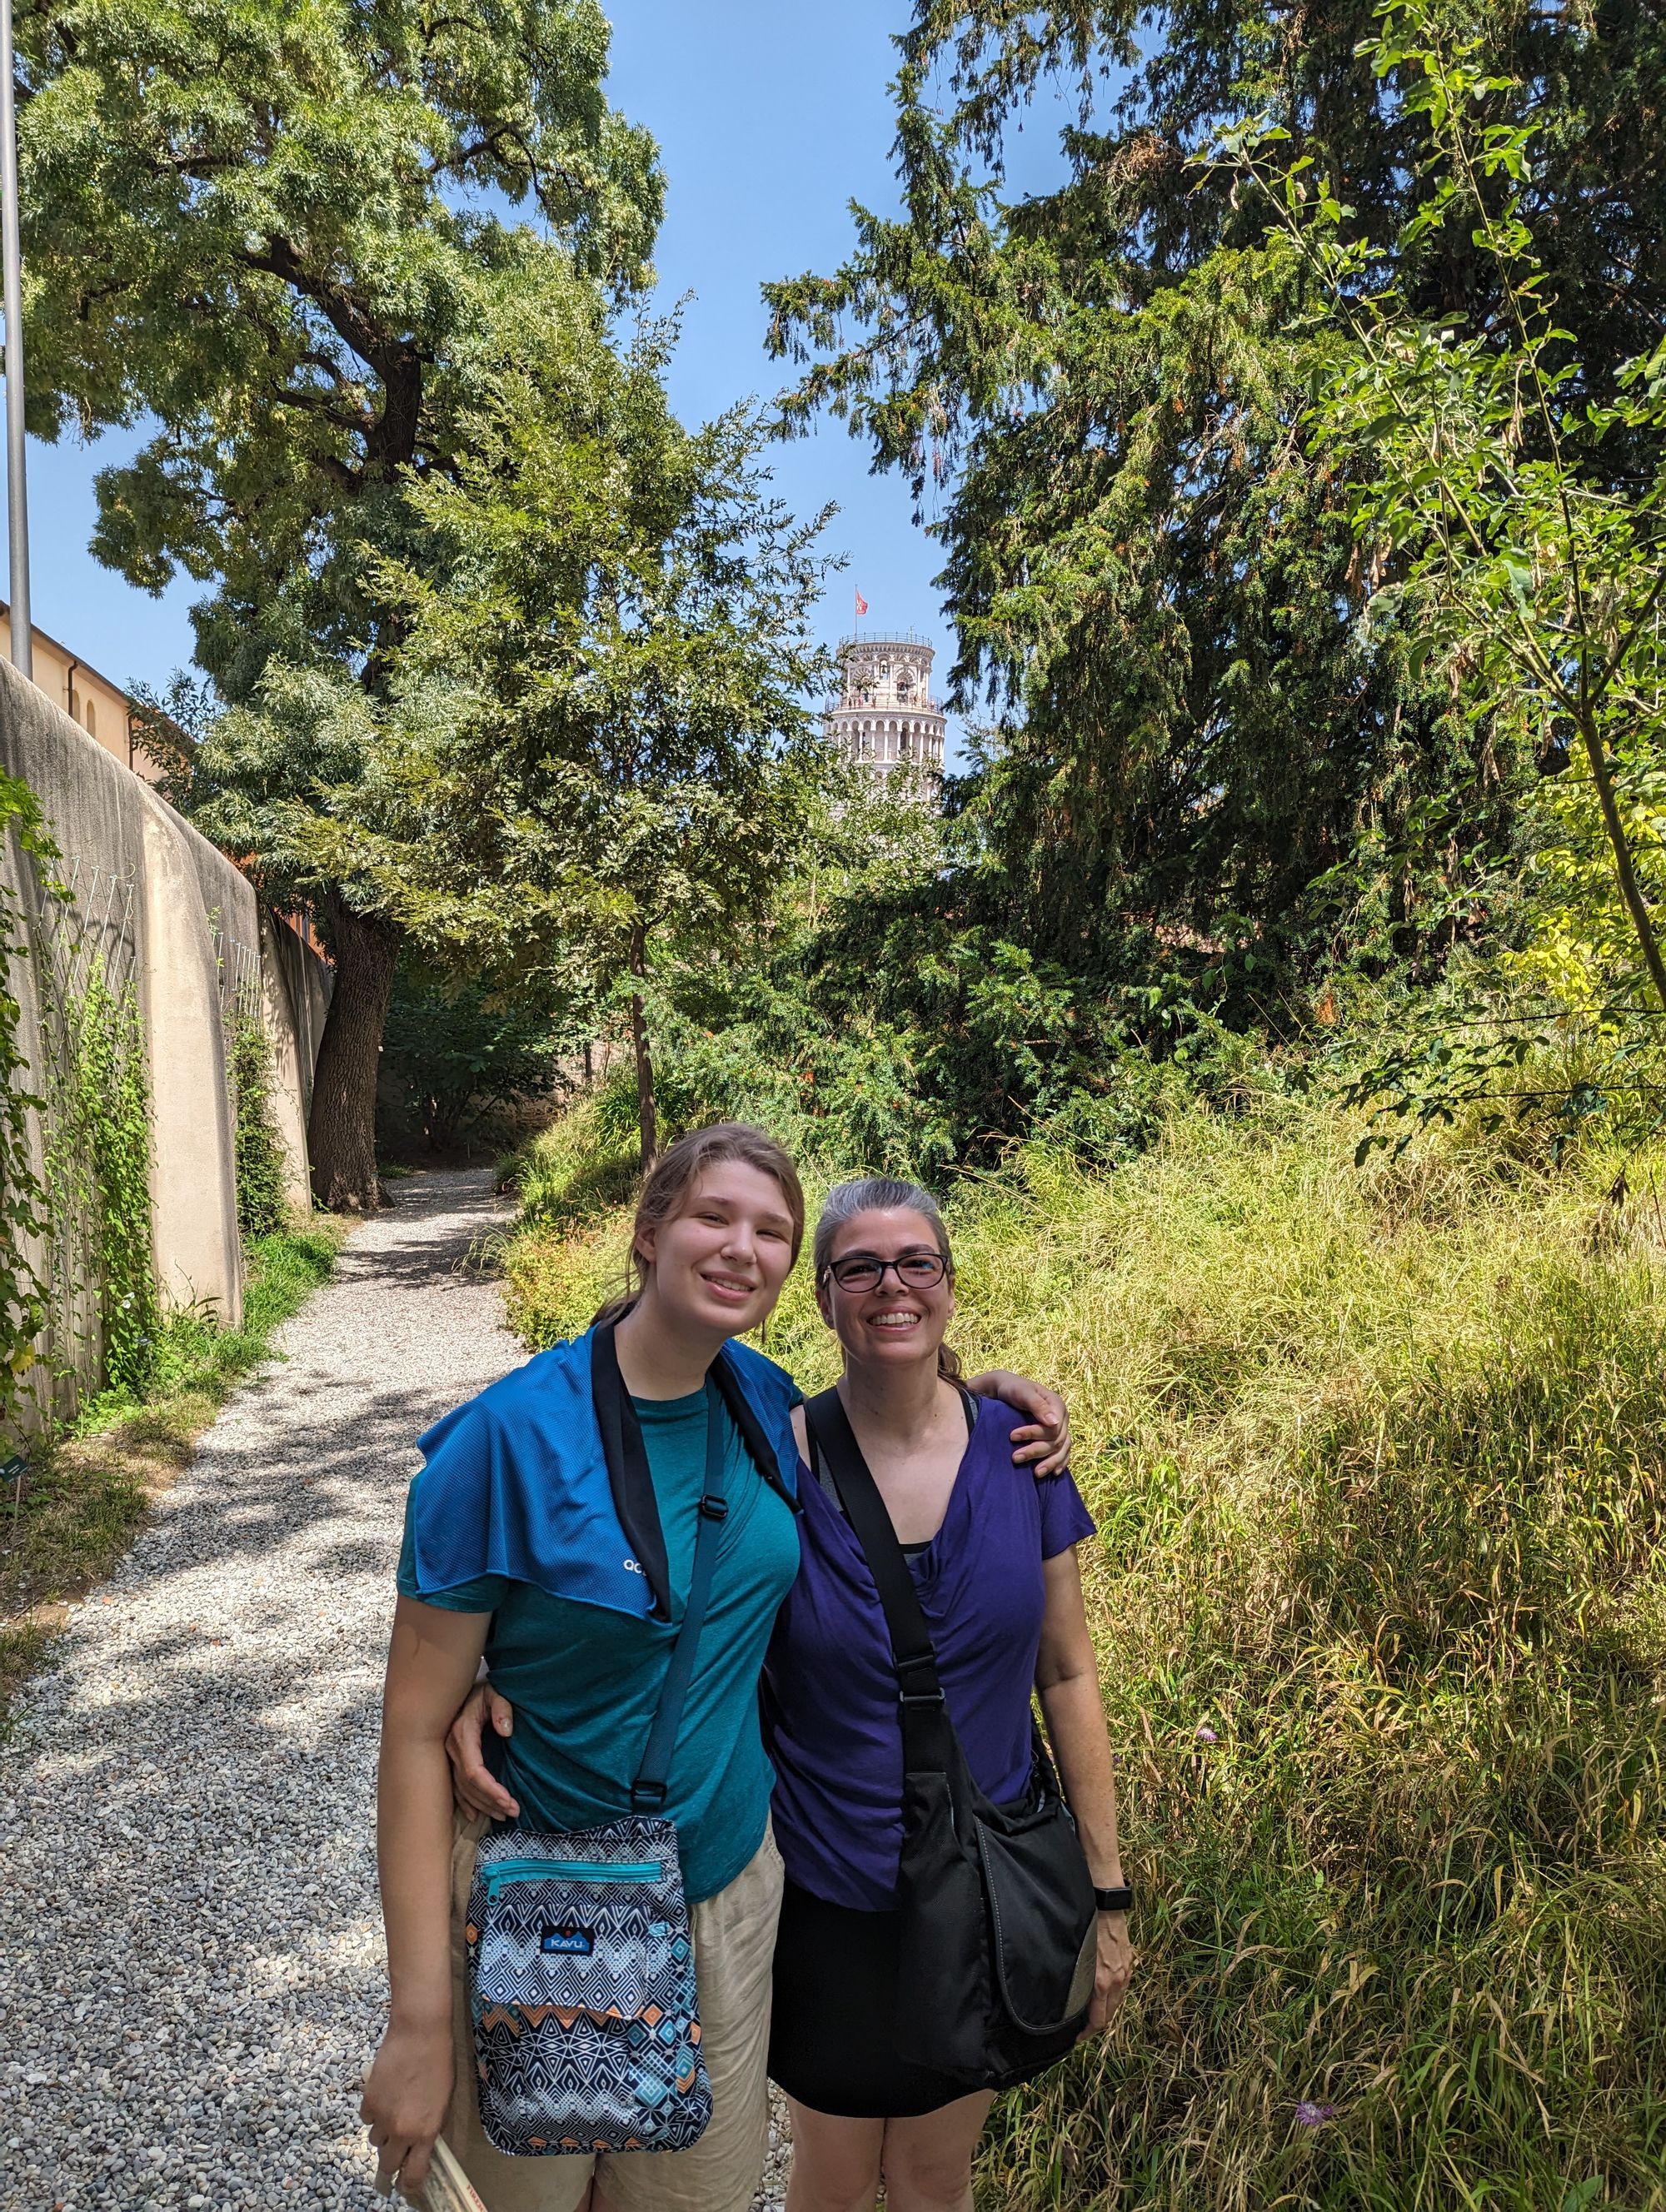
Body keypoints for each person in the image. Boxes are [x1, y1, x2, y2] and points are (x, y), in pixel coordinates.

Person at [362, 1123, 1070, 2212]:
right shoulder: (503, 1443)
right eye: (713, 1217)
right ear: (648, 1235)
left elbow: (899, 1423)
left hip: (731, 1901)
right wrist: (417, 2026)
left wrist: (1008, 1400)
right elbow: (411, 1733)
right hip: (546, 1893)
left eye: (773, 1230)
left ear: (795, 1268)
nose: (743, 1247)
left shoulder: (760, 1402)